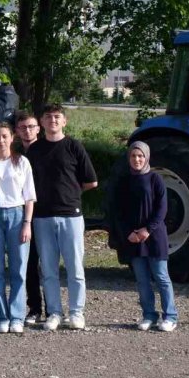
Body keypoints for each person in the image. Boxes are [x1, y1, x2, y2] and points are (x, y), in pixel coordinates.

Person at [26, 104, 98, 331]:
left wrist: (71, 194)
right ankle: (54, 312)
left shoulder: (74, 146)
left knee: (75, 268)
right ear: (42, 122)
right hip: (42, 217)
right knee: (48, 269)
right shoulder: (35, 150)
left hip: (71, 216)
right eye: (48, 117)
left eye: (57, 117)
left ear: (64, 121)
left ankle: (76, 313)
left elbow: (91, 181)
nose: (53, 121)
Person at [112, 142, 178, 332]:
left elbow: (162, 208)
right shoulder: (124, 181)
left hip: (154, 237)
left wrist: (147, 230)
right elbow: (119, 211)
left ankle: (170, 316)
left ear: (147, 157)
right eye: (133, 156)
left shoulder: (155, 179)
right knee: (142, 279)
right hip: (133, 238)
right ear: (129, 158)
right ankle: (149, 314)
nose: (137, 160)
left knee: (161, 277)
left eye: (140, 156)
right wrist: (128, 233)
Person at [0, 122, 36, 334]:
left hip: (17, 215)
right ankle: (1, 315)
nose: (1, 140)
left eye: (4, 136)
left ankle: (17, 315)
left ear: (12, 138)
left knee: (19, 268)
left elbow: (29, 196)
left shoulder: (22, 162)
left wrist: (27, 223)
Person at [15, 111, 44, 324]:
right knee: (27, 263)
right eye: (23, 127)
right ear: (17, 130)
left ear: (38, 129)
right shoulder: (12, 152)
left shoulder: (46, 151)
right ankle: (32, 307)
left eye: (31, 126)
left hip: (43, 213)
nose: (27, 130)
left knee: (46, 264)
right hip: (18, 213)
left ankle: (48, 308)